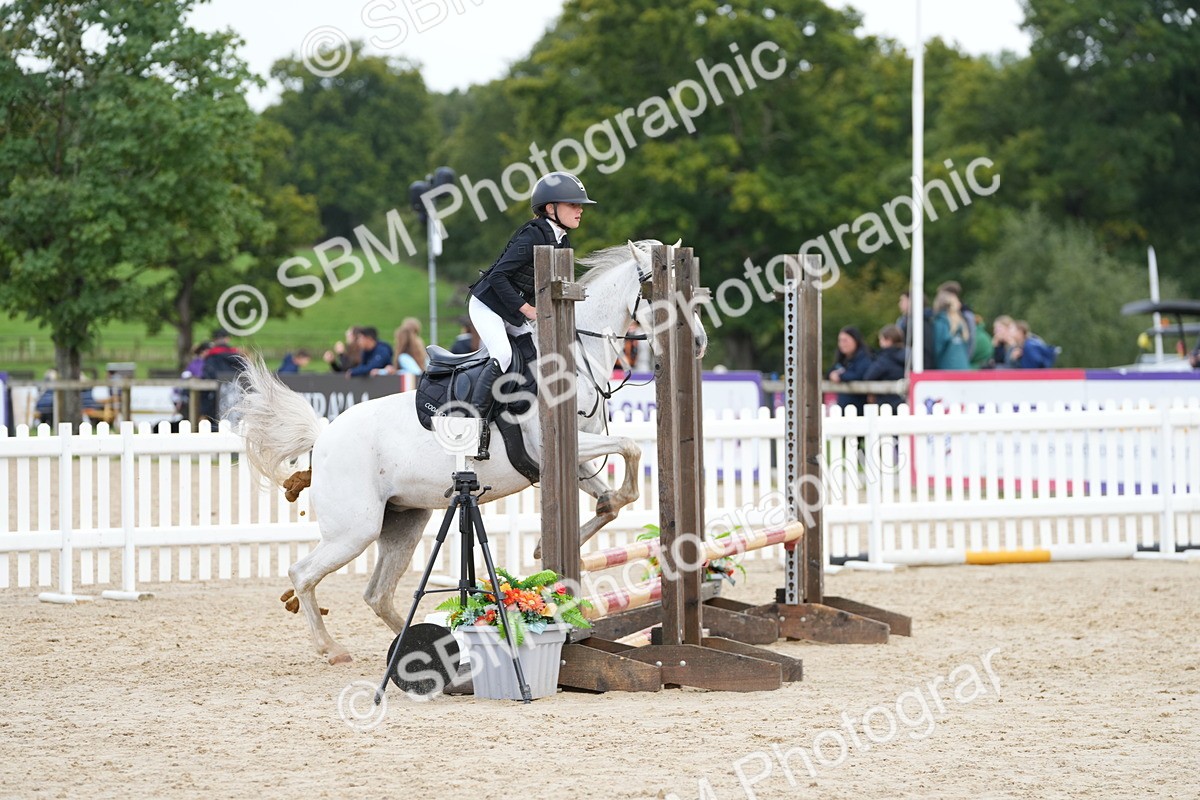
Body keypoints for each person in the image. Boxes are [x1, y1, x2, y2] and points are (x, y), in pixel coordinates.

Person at [466, 171, 595, 458]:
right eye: (573, 204)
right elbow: (497, 276)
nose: (580, 210)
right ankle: (474, 427)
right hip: (488, 305)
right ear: (550, 208)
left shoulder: (562, 241)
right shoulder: (533, 234)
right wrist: (527, 310)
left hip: (511, 312)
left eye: (580, 205)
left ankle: (515, 415)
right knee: (503, 355)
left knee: (535, 359)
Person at [827, 325, 872, 415]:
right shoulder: (842, 360)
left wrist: (841, 376)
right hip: (843, 409)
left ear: (855, 340)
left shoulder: (864, 358)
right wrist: (832, 375)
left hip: (859, 409)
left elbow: (860, 375)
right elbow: (830, 372)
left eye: (845, 340)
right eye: (840, 341)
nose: (842, 344)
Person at [201, 328, 244, 420]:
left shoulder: (211, 358)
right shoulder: (236, 356)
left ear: (214, 340)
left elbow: (207, 376)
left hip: (215, 399)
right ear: (228, 339)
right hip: (235, 397)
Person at [864, 324, 907, 410]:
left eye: (881, 339)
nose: (880, 343)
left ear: (888, 340)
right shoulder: (908, 355)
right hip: (905, 402)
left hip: (887, 403)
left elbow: (869, 376)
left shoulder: (885, 358)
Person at [932, 289, 971, 370]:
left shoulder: (941, 323)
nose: (960, 304)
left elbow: (937, 349)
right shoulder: (960, 324)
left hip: (950, 369)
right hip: (959, 368)